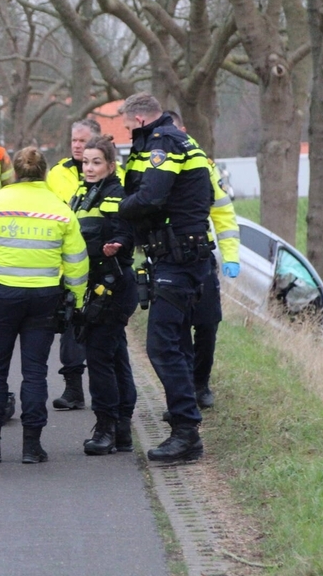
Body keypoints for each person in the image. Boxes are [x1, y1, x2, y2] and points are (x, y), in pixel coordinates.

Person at [0, 147, 88, 464]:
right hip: (44, 299)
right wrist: (77, 299)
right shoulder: (60, 209)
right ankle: (32, 447)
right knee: (34, 374)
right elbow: (77, 262)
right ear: (43, 173)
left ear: (14, 173)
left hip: (2, 298)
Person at [118, 92, 212, 463]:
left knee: (161, 344)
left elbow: (151, 196)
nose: (127, 134)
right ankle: (183, 418)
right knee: (177, 341)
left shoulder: (165, 143)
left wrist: (116, 209)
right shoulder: (173, 139)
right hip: (175, 255)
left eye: (127, 127)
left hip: (179, 257)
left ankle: (187, 432)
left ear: (140, 120)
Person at [168, 110, 240, 409]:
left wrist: (231, 257)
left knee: (208, 323)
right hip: (168, 258)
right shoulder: (153, 167)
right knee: (178, 328)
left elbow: (223, 215)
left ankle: (201, 382)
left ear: (182, 131)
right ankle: (186, 389)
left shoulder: (204, 168)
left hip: (200, 257)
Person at [71, 135, 138, 455]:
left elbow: (125, 228)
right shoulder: (83, 193)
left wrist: (118, 244)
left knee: (99, 357)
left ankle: (106, 428)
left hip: (113, 285)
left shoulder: (115, 193)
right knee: (115, 355)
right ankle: (122, 428)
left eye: (96, 162)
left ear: (111, 166)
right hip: (96, 284)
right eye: (85, 162)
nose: (89, 167)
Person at [45, 118, 101, 411]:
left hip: (102, 262)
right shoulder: (57, 174)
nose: (78, 146)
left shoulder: (113, 172)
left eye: (83, 140)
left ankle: (106, 390)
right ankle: (73, 389)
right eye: (74, 141)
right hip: (68, 264)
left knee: (104, 327)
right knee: (70, 326)